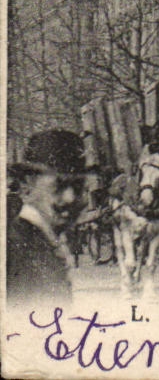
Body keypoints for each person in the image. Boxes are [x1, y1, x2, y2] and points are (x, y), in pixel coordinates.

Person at [6, 128, 88, 312]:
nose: (70, 198)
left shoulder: (44, 241)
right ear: (27, 184)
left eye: (77, 186)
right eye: (59, 185)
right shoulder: (15, 247)